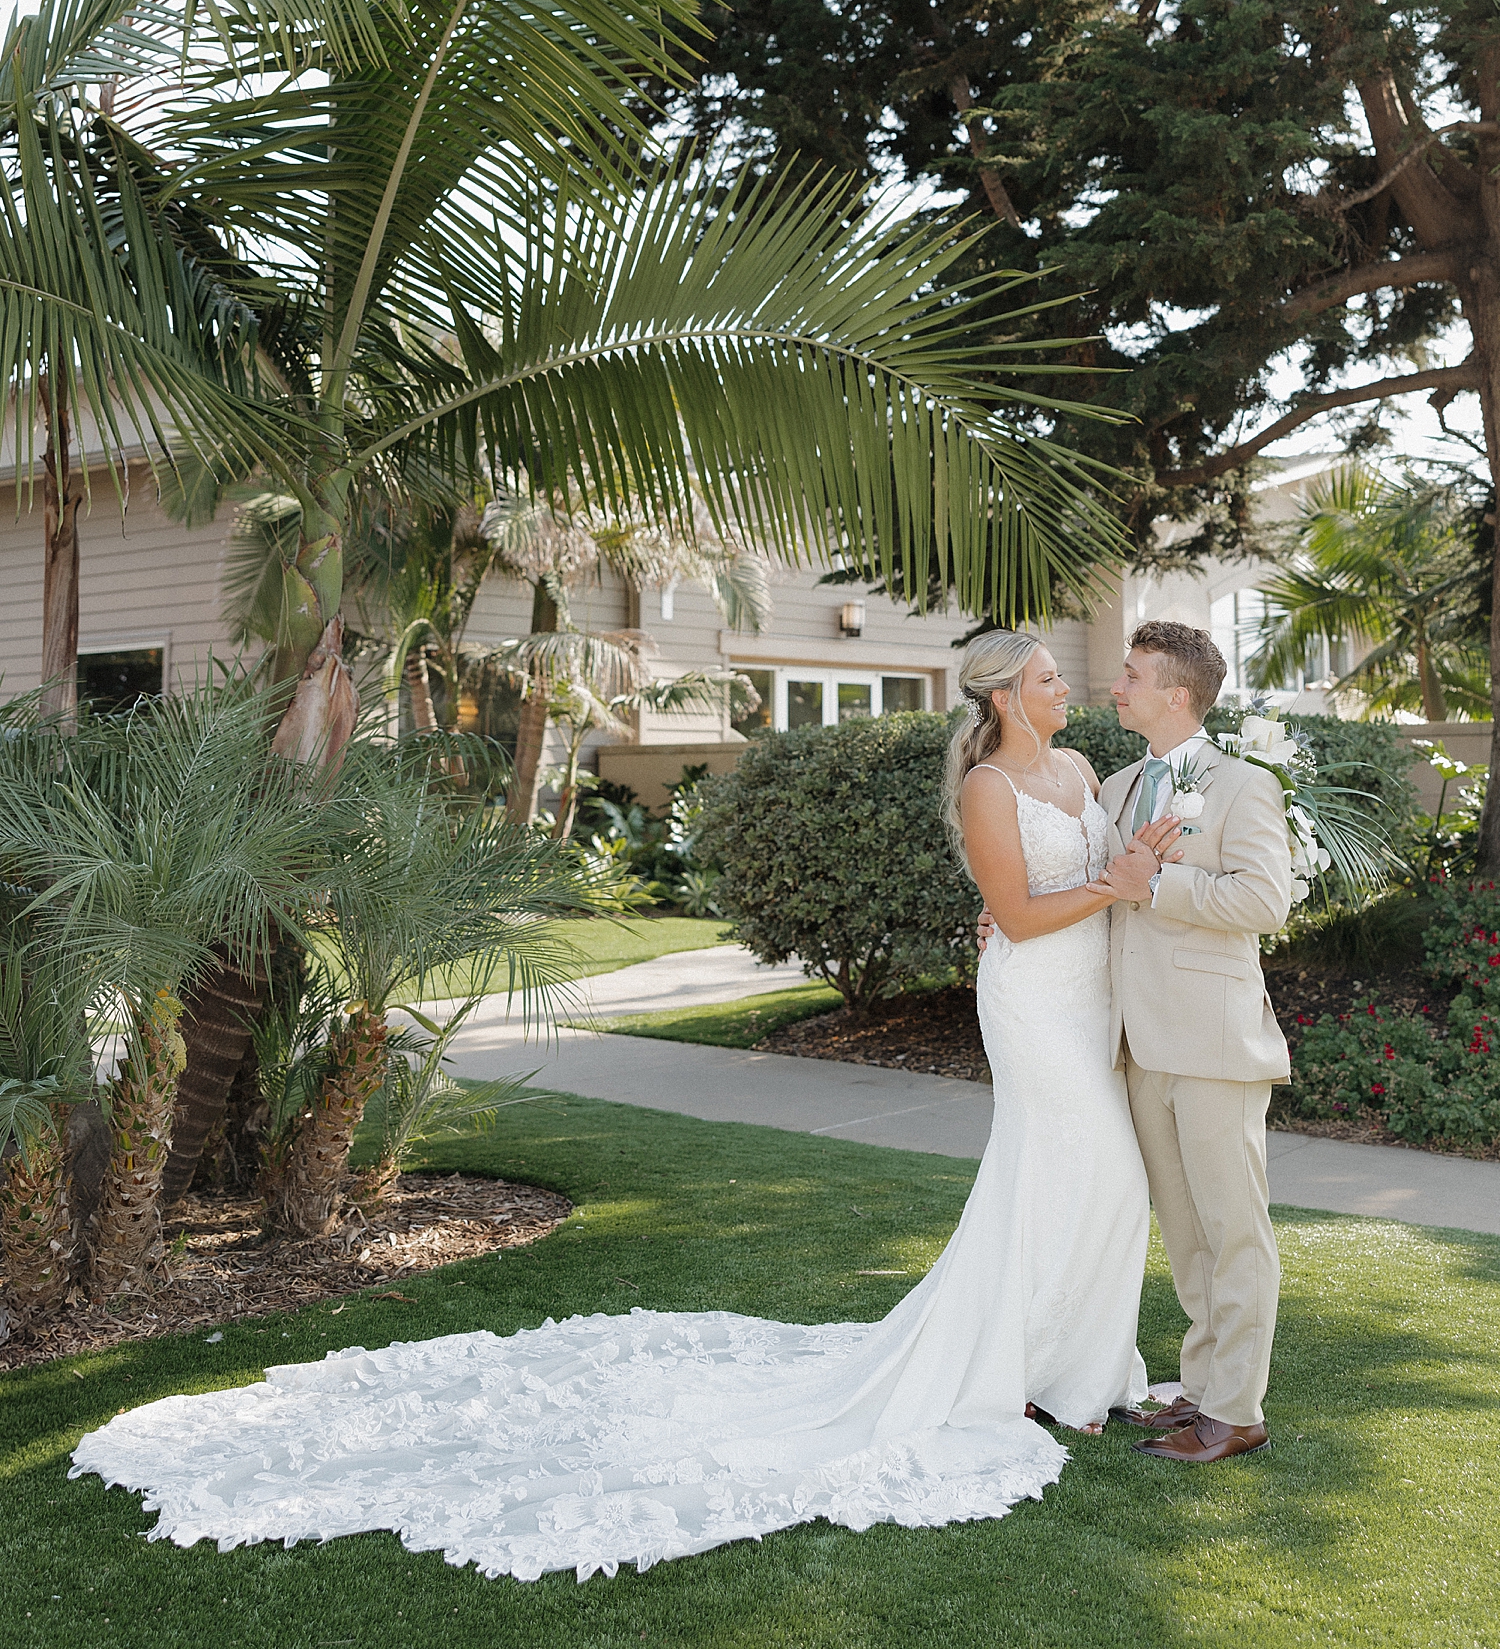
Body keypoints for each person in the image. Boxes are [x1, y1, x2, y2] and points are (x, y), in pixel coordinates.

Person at [71, 628, 1160, 1585]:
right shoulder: (985, 788)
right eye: (1054, 678)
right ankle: (1016, 1367)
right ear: (1005, 694)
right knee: (1084, 1168)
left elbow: (1100, 882)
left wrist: (1138, 871)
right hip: (1031, 1002)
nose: (1071, 691)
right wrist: (1111, 889)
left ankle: (1075, 1367)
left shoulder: (1079, 767)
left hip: (1090, 998)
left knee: (1083, 1178)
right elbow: (1015, 915)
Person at [1094, 622, 1292, 1463]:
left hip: (1212, 1043)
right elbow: (1103, 899)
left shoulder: (1243, 786)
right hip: (1137, 1044)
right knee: (1186, 1235)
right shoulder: (1111, 787)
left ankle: (1238, 1411)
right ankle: (1201, 1393)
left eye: (1132, 676)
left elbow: (1263, 903)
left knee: (1233, 1232)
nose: (1117, 687)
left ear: (1177, 694)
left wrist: (1160, 884)